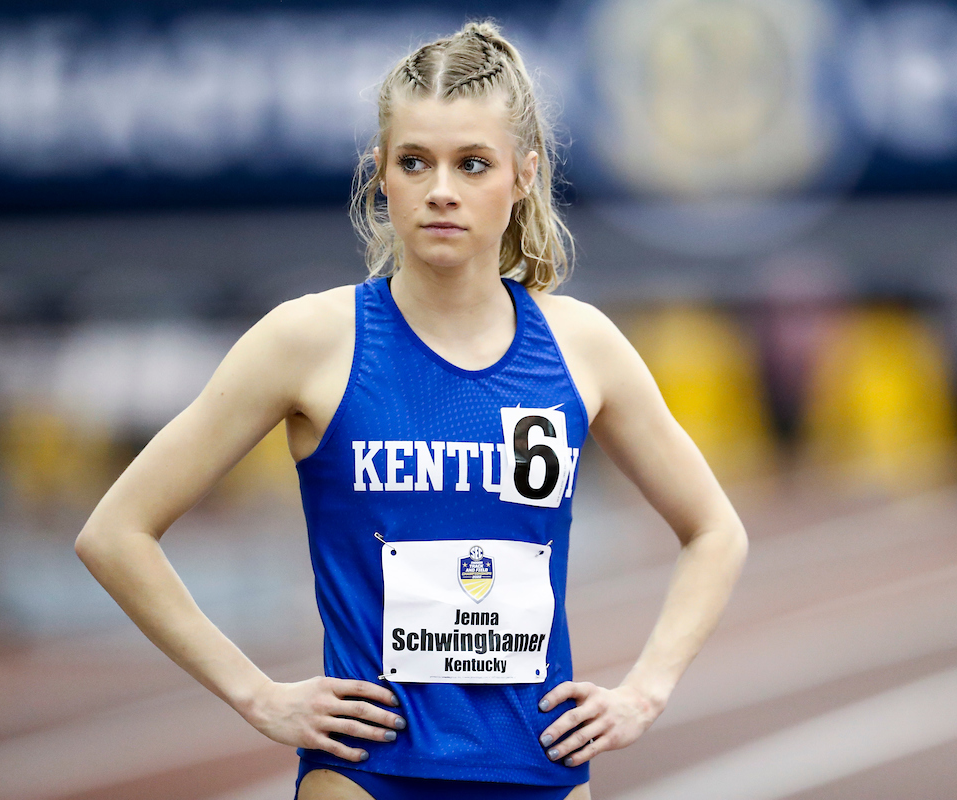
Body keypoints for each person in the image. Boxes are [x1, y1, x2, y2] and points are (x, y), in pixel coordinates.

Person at [75, 19, 748, 800]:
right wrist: (257, 695)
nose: (441, 190)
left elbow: (714, 531)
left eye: (473, 164)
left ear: (524, 175)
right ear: (380, 175)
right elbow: (115, 534)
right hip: (370, 774)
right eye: (415, 161)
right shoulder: (310, 340)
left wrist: (645, 691)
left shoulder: (581, 345)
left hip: (539, 771)